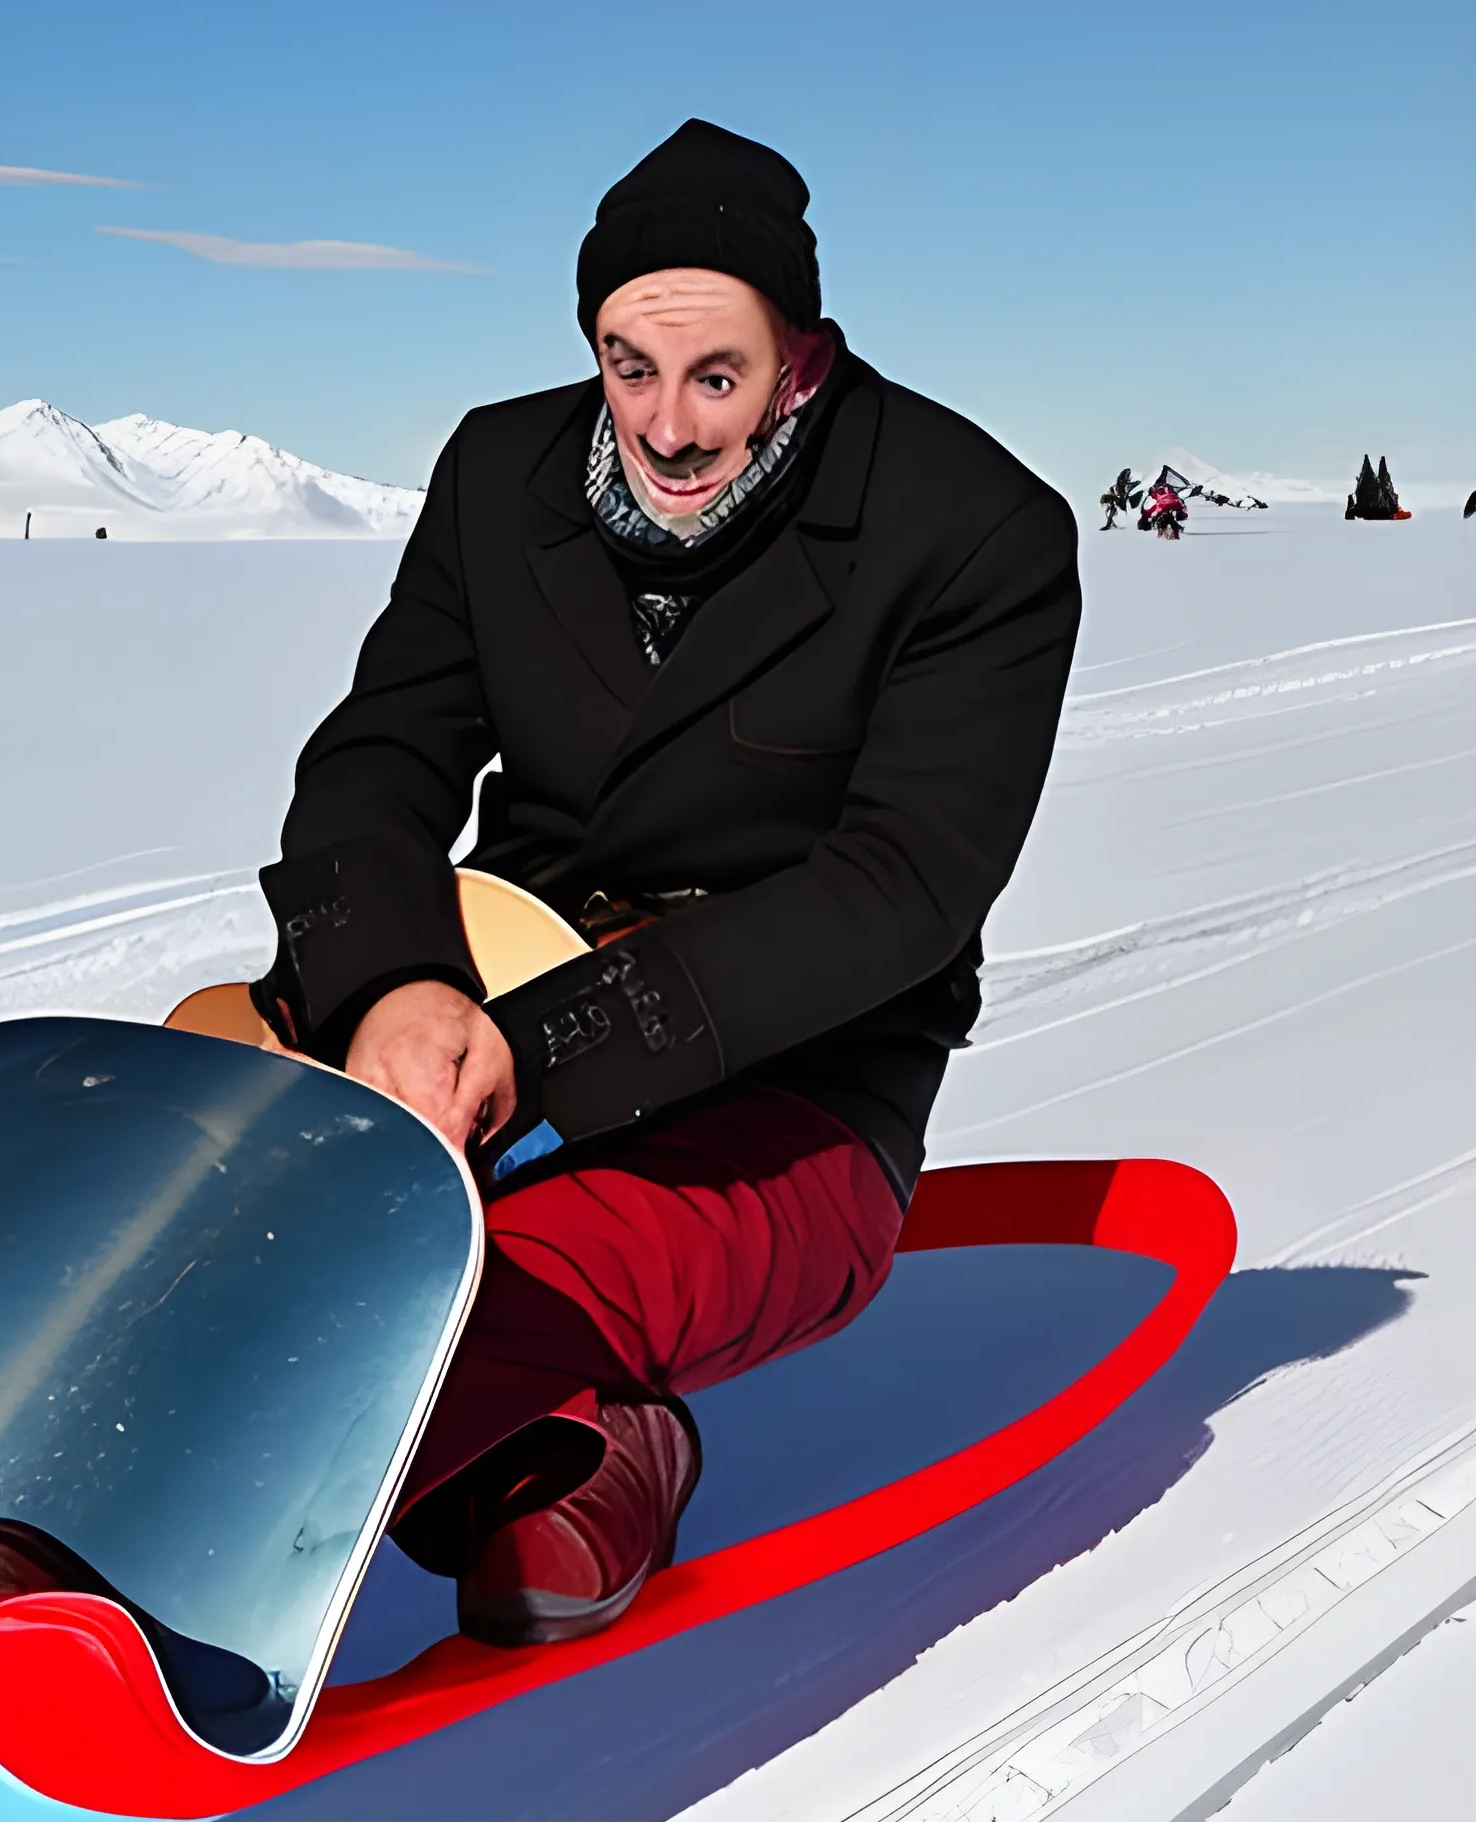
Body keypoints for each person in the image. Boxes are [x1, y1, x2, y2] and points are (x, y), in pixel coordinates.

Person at [253, 119, 1082, 1648]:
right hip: (486, 976)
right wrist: (393, 984)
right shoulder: (502, 470)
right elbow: (379, 759)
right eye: (631, 367)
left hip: (794, 1072)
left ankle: (584, 1441)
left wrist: (545, 1047)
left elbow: (903, 887)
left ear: (803, 357)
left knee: (482, 1301)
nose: (671, 428)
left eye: (718, 377)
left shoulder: (972, 530)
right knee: (167, 1157)